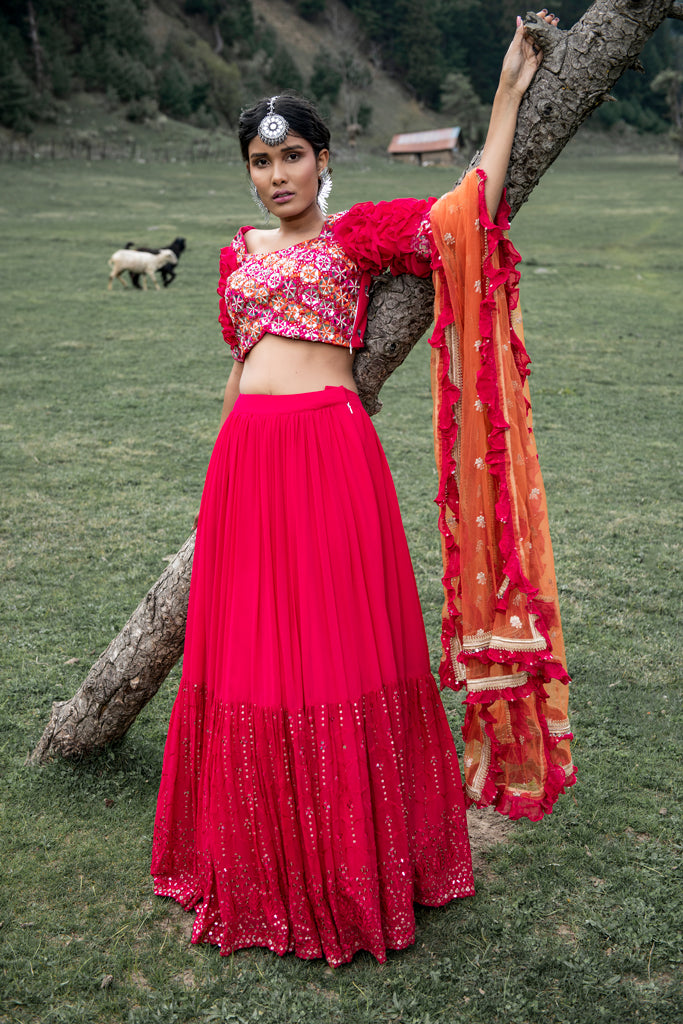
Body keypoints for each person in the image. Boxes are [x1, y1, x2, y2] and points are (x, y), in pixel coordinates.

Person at [151, 12, 574, 967]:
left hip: (331, 458)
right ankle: (258, 858)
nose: (276, 177)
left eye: (291, 157)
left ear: (322, 158)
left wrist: (506, 93)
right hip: (247, 465)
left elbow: (469, 207)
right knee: (256, 654)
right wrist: (218, 472)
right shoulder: (235, 253)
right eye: (262, 165)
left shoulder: (355, 236)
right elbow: (243, 360)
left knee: (334, 652)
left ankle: (352, 864)